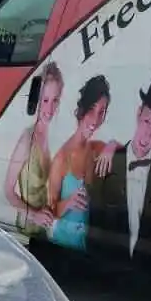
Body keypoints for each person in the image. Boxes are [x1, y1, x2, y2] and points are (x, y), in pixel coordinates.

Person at [86, 66, 151, 266]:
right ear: (139, 113)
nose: (149, 133)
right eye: (147, 121)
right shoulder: (108, 160)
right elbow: (94, 221)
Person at [46, 75, 111, 252]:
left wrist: (111, 147)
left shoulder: (95, 148)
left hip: (83, 247)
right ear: (82, 110)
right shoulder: (62, 158)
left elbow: (121, 147)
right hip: (61, 246)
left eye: (102, 112)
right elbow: (49, 212)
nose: (96, 119)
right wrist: (68, 202)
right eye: (92, 110)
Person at [3, 61, 62, 236]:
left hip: (46, 230)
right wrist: (33, 215)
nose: (50, 108)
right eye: (45, 100)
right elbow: (8, 190)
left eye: (55, 100)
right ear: (37, 99)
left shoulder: (52, 137)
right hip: (28, 231)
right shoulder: (27, 139)